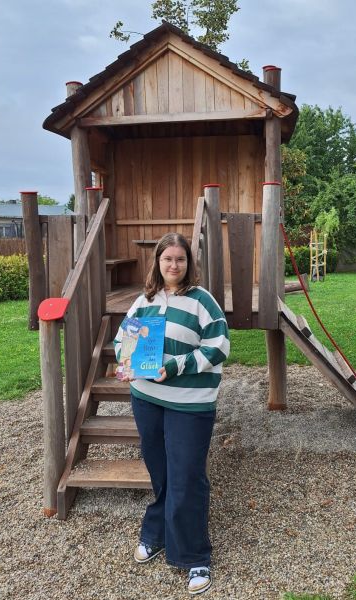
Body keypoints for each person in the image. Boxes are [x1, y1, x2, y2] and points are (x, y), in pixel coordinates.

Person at [113, 232, 230, 595]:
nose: (173, 265)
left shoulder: (202, 301)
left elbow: (219, 345)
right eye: (167, 259)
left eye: (180, 259)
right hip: (146, 398)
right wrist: (125, 361)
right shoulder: (144, 301)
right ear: (158, 262)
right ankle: (158, 533)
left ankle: (194, 556)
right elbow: (122, 340)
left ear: (188, 263)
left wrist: (177, 365)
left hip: (190, 403)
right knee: (161, 472)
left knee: (187, 477)